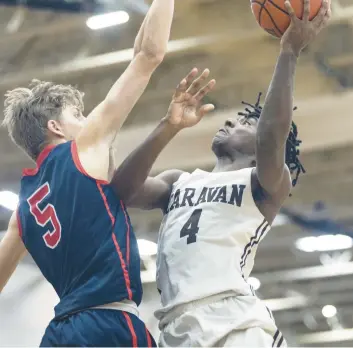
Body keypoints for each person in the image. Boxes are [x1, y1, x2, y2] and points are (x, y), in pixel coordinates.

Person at [112, 0, 331, 346]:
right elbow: (120, 192)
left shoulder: (264, 184)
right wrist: (167, 127)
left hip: (236, 323)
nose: (231, 119)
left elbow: (272, 133)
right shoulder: (176, 183)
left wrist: (289, 51)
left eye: (246, 121)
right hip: (177, 328)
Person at [0, 0, 179, 345]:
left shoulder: (22, 212)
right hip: (108, 322)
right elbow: (149, 56)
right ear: (56, 127)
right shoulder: (82, 150)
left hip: (60, 334)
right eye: (77, 116)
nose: (87, 121)